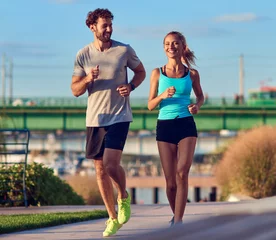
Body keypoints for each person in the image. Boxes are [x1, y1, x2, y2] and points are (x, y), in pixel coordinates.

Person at [70, 8, 146, 237]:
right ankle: (112, 218)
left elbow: (140, 72)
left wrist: (131, 86)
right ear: (92, 27)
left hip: (119, 115)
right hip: (95, 118)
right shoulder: (83, 54)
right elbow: (75, 90)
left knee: (111, 164)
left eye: (111, 24)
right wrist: (87, 79)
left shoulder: (124, 50)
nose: (109, 29)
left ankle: (123, 196)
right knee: (100, 169)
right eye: (105, 25)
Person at [147, 31, 204, 226]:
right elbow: (150, 105)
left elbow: (200, 97)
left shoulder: (192, 74)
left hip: (186, 124)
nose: (171, 47)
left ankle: (178, 222)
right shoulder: (157, 73)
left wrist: (197, 106)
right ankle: (176, 217)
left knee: (182, 173)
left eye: (175, 43)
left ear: (182, 46)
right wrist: (162, 95)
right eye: (167, 44)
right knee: (171, 183)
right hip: (165, 126)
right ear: (164, 48)